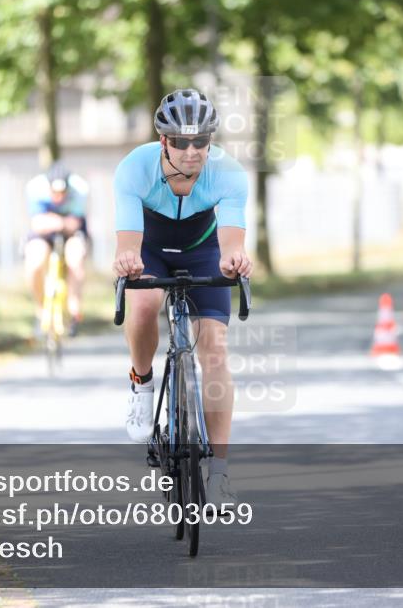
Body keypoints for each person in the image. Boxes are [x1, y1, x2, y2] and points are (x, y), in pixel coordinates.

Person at [112, 88, 252, 508]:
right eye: (180, 142)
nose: (191, 152)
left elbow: (230, 244)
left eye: (201, 143)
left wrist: (234, 262)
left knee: (214, 348)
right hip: (150, 248)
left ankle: (220, 473)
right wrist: (128, 263)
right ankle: (141, 385)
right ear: (163, 142)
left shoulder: (229, 173)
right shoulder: (134, 168)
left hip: (203, 249)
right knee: (143, 305)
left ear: (211, 142)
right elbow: (128, 245)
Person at [24, 162, 90, 338]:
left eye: (63, 193)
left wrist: (53, 221)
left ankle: (74, 310)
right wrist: (61, 222)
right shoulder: (36, 188)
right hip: (44, 234)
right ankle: (40, 311)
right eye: (55, 193)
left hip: (71, 233)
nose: (59, 198)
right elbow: (37, 224)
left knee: (75, 258)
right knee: (34, 261)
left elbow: (74, 224)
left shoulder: (80, 189)